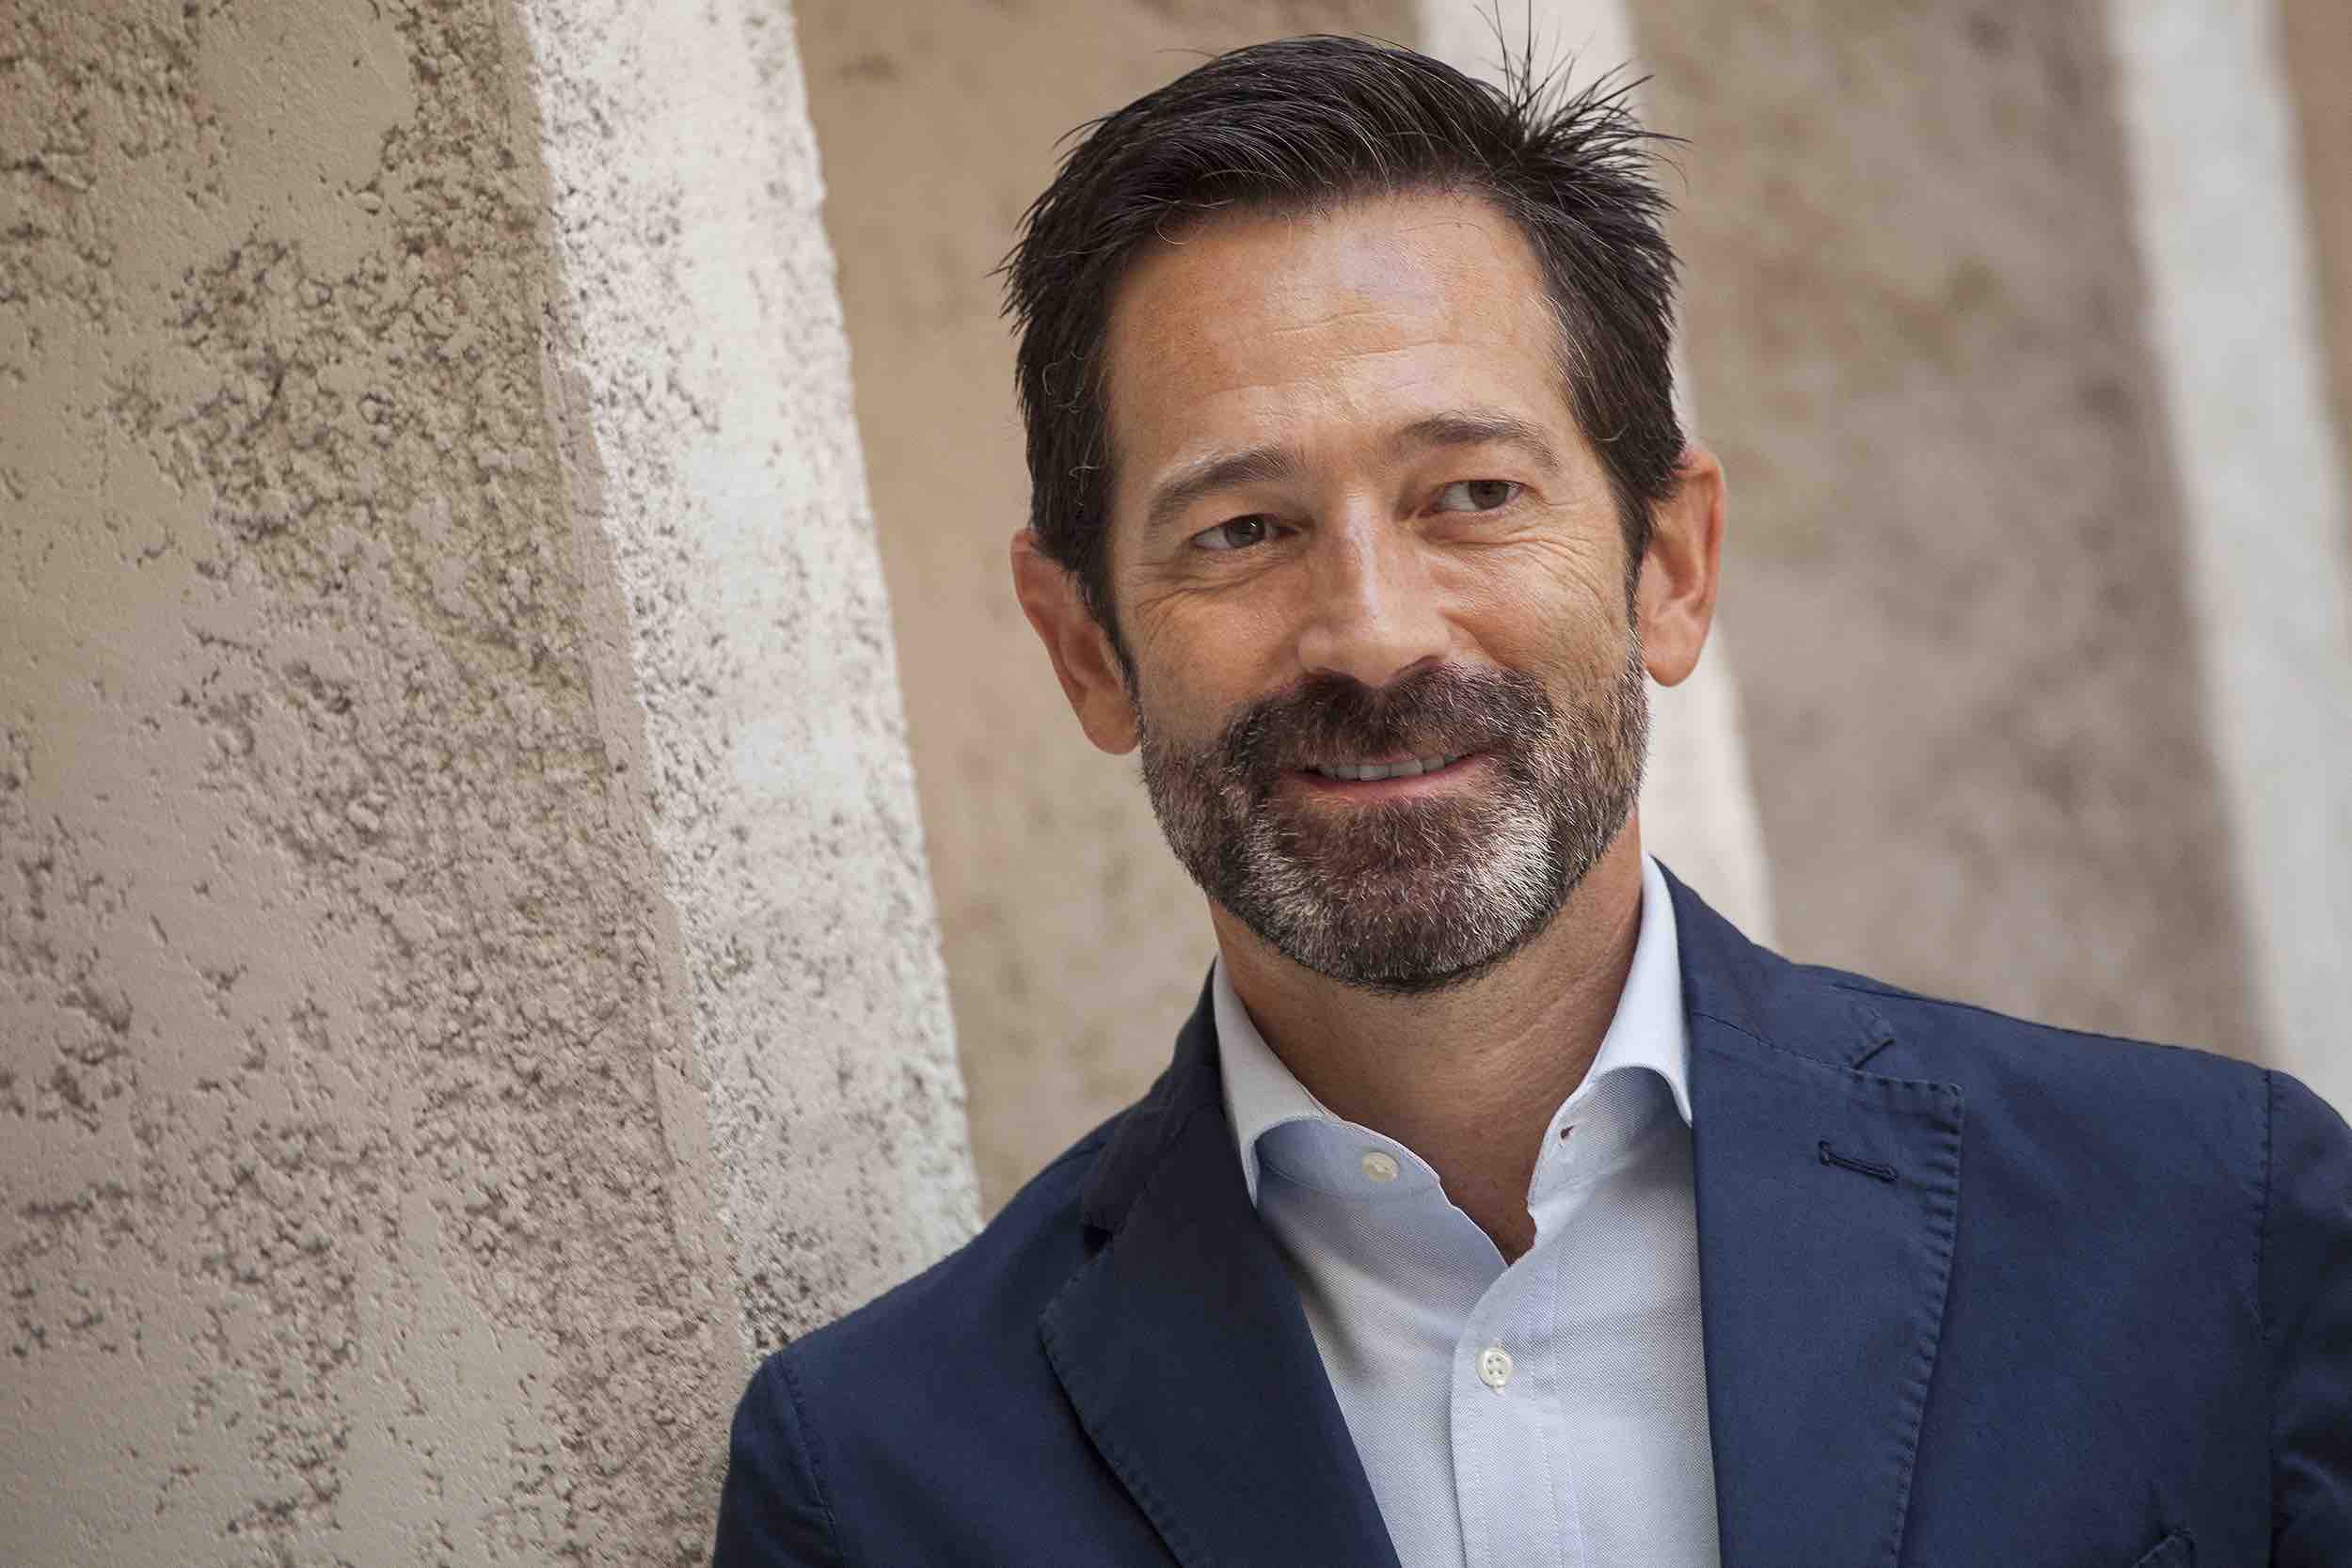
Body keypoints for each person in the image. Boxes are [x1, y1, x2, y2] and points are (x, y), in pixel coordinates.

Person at [713, 35, 2351, 1568]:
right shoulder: (875, 1484)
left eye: (1473, 494)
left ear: (1671, 565)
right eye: (1242, 530)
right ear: (1086, 647)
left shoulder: (2215, 1235)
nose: (1374, 634)